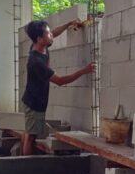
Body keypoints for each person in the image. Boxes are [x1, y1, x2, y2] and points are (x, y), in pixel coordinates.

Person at [20, 19, 95, 155]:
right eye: (48, 34)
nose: (51, 36)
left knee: (29, 132)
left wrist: (68, 23)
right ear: (39, 39)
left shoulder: (41, 45)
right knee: (31, 136)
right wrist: (83, 71)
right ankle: (26, 166)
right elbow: (60, 81)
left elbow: (54, 32)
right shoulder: (36, 62)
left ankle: (22, 162)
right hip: (34, 103)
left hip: (34, 99)